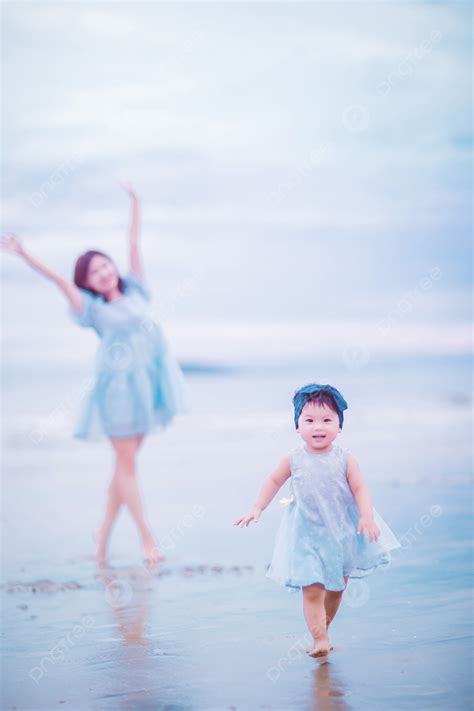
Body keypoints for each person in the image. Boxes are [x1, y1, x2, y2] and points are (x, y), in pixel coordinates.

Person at [1, 181, 187, 566]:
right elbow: (58, 280)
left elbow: (133, 242)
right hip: (117, 390)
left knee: (124, 467)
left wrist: (136, 200)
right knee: (127, 465)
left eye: (104, 265)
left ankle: (100, 540)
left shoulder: (137, 290)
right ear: (87, 283)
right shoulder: (92, 309)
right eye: (92, 273)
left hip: (148, 385)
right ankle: (148, 541)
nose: (101, 273)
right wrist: (23, 254)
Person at [234, 383, 401, 661]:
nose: (318, 426)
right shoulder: (293, 459)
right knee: (312, 588)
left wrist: (368, 518)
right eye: (309, 420)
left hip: (341, 533)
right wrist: (257, 508)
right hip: (305, 534)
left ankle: (323, 628)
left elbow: (360, 489)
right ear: (297, 426)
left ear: (339, 425)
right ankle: (320, 638)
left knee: (336, 588)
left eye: (327, 420)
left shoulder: (345, 459)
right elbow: (273, 480)